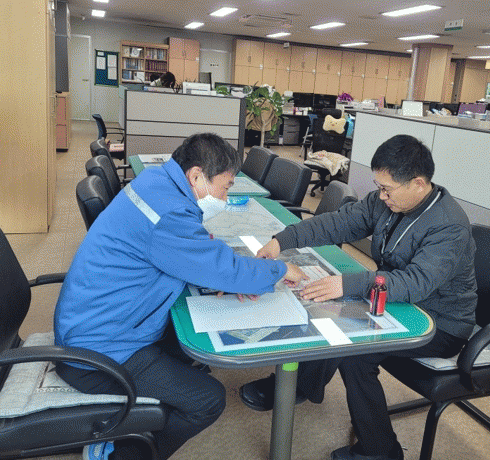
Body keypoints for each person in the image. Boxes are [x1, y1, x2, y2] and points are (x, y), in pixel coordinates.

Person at [54, 133, 306, 460]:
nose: (225, 198)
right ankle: (125, 454)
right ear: (196, 175)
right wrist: (278, 270)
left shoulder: (157, 181)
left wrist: (215, 270)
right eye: (225, 188)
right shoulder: (169, 214)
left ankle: (137, 422)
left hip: (101, 322)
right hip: (98, 355)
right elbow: (217, 264)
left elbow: (194, 254)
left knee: (193, 340)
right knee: (208, 399)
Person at [239, 134, 477, 460]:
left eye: (388, 189)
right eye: (379, 187)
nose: (382, 196)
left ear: (419, 184)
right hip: (391, 298)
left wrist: (350, 284)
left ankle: (381, 451)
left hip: (438, 321)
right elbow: (338, 223)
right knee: (326, 303)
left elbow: (417, 282)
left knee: (357, 352)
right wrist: (283, 240)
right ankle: (295, 387)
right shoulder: (386, 201)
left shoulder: (448, 226)